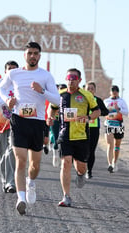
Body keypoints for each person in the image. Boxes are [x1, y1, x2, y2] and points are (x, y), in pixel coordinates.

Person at [0, 42, 60, 215]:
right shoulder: (13, 74)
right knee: (21, 160)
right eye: (29, 53)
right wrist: (7, 101)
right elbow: (1, 90)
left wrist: (42, 92)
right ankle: (21, 198)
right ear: (24, 55)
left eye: (35, 53)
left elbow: (57, 101)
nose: (32, 56)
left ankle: (31, 183)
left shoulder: (46, 76)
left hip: (37, 122)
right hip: (19, 120)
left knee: (35, 164)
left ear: (39, 56)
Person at [47, 68, 100, 207]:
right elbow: (52, 108)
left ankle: (81, 174)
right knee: (66, 163)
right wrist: (50, 117)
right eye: (69, 77)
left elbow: (97, 111)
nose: (71, 80)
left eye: (74, 78)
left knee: (81, 167)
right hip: (64, 135)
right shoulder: (60, 95)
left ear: (79, 80)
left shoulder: (87, 95)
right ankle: (66, 196)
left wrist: (88, 117)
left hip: (81, 136)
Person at [0, 60, 19, 193]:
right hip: (2, 123)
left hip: (17, 123)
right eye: (9, 69)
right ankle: (5, 181)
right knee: (3, 155)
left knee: (11, 152)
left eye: (14, 69)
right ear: (5, 71)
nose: (11, 71)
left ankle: (11, 183)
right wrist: (8, 101)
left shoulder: (21, 84)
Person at [85, 81, 109, 179]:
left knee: (91, 150)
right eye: (88, 88)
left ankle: (89, 171)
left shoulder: (98, 100)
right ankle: (81, 168)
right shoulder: (81, 99)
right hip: (81, 127)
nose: (90, 90)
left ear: (95, 90)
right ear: (84, 89)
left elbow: (105, 111)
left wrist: (98, 113)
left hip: (94, 128)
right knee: (81, 149)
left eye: (92, 88)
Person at [103, 85, 129, 173]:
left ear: (118, 92)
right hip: (109, 124)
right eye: (112, 90)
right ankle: (110, 164)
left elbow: (127, 113)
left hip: (119, 124)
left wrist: (119, 109)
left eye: (116, 91)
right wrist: (107, 111)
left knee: (117, 145)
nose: (114, 92)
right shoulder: (106, 101)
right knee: (110, 144)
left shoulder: (122, 101)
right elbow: (102, 112)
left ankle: (115, 162)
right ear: (110, 92)